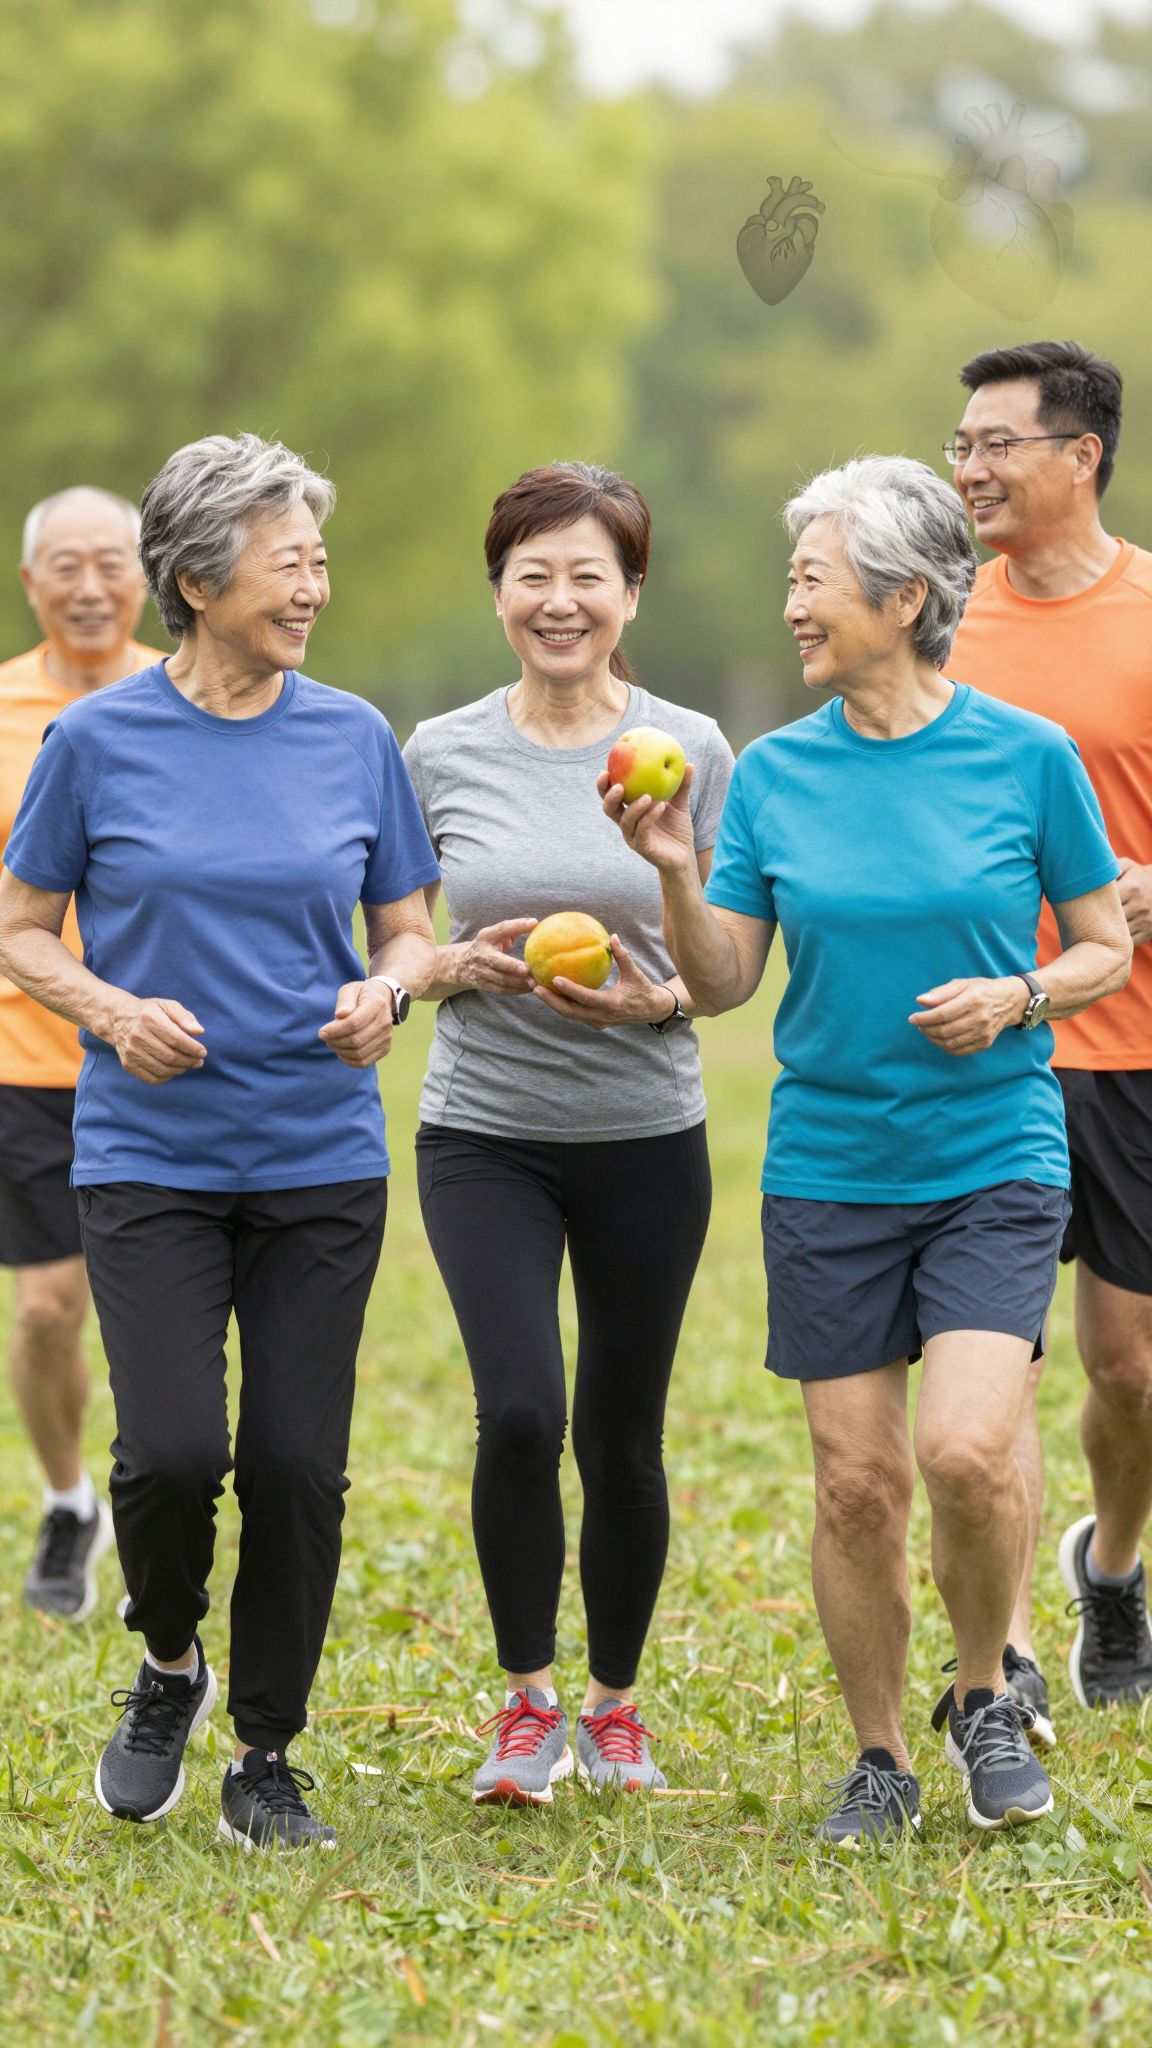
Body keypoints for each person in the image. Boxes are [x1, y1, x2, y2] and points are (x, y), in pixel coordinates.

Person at [601, 454, 1130, 1842]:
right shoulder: (774, 774)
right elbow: (721, 983)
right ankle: (882, 1754)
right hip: (830, 1163)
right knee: (854, 1482)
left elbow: (1102, 945)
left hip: (994, 1152)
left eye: (812, 579)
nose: (793, 606)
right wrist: (669, 862)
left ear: (903, 599)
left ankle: (986, 1699)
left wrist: (1018, 994)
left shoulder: (1026, 757)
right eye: (791, 581)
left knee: (963, 1450)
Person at [0, 432, 439, 1851]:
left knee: (301, 1465)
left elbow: (408, 927)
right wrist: (114, 1012)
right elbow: (19, 932)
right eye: (286, 559)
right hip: (148, 1157)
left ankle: (265, 1749)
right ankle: (169, 1666)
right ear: (195, 578)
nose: (313, 583)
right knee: (175, 1453)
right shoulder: (97, 741)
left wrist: (390, 993)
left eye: (318, 556)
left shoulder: (354, 735)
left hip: (319, 1154)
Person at [403, 461, 733, 1804]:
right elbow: (394, 943)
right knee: (519, 1410)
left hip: (646, 1127)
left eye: (586, 574)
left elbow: (716, 976)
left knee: (622, 1433)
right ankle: (528, 1702)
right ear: (497, 594)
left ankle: (616, 1706)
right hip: (483, 1128)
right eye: (533, 574)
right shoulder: (436, 750)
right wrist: (450, 966)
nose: (559, 600)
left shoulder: (690, 745)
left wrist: (662, 953)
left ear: (630, 592)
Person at [947, 341, 1152, 1733]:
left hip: (1132, 1039)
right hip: (989, 1041)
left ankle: (1115, 1568)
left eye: (997, 443)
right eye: (959, 444)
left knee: (1129, 1368)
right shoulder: (940, 618)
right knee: (993, 1359)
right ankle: (1006, 1647)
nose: (968, 467)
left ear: (1079, 456)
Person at [0, 487, 163, 1620]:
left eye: (112, 561)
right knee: (49, 1309)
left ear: (149, 576)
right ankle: (69, 1502)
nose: (91, 584)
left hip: (160, 1062)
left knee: (168, 1313)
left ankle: (174, 1499)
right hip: (27, 1067)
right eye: (66, 564)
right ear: (31, 583)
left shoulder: (182, 699)